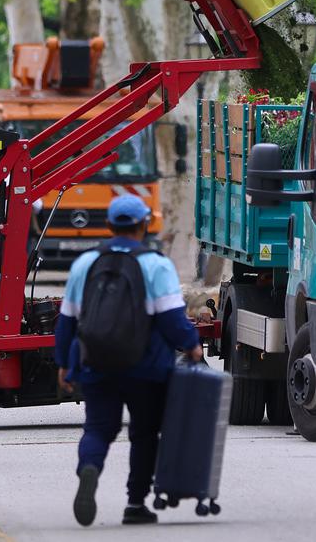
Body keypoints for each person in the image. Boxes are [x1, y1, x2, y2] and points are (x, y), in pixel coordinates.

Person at [54, 194, 202, 527]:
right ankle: (135, 504)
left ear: (109, 225)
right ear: (144, 225)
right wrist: (192, 344)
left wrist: (64, 362)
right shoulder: (156, 264)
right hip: (147, 368)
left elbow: (67, 321)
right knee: (145, 434)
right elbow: (171, 318)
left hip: (96, 362)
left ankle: (89, 468)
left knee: (97, 428)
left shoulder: (85, 263)